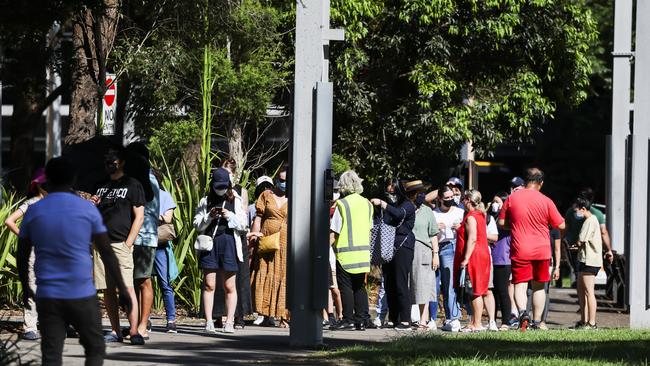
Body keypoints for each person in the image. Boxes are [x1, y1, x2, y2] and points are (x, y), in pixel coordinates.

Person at [17, 157, 132, 366]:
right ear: (73, 179)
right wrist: (123, 289)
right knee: (95, 347)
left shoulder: (34, 211)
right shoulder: (87, 209)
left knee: (51, 353)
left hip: (48, 294)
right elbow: (107, 252)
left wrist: (26, 287)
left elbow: (22, 255)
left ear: (47, 180)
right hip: (81, 293)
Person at [498, 168, 565, 331]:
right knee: (539, 286)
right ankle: (536, 321)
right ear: (540, 183)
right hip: (542, 249)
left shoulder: (512, 198)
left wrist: (513, 225)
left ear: (525, 180)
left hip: (520, 248)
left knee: (520, 284)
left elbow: (501, 223)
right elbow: (561, 224)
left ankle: (522, 313)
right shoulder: (546, 200)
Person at [91, 148, 144, 344]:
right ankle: (115, 331)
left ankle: (134, 330)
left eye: (111, 161)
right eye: (106, 162)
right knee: (107, 289)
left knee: (128, 288)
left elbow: (139, 216)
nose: (108, 165)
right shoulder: (100, 185)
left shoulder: (133, 184)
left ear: (121, 162)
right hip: (100, 243)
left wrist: (128, 242)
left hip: (121, 243)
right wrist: (93, 204)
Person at [194, 167, 248, 333]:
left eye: (223, 186)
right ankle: (209, 321)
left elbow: (243, 225)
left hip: (229, 243)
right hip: (210, 244)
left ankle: (230, 321)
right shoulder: (205, 200)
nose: (220, 189)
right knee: (209, 284)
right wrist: (209, 216)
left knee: (229, 285)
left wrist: (229, 216)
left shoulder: (235, 201)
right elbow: (197, 225)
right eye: (218, 186)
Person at [5, 170, 47, 341]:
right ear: (37, 185)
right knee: (32, 287)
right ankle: (30, 326)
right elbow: (9, 221)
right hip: (34, 252)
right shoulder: (32, 203)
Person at [371, 179, 418, 331]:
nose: (390, 194)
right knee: (389, 283)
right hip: (388, 247)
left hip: (403, 247)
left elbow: (398, 215)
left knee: (400, 283)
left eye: (393, 191)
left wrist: (383, 204)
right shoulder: (392, 206)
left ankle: (405, 319)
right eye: (388, 192)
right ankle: (393, 317)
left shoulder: (408, 205)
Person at [329, 170, 373, 331]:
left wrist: (324, 248)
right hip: (362, 253)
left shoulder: (342, 204)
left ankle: (347, 319)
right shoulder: (367, 204)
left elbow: (335, 231)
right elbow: (369, 228)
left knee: (346, 287)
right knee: (360, 287)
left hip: (346, 254)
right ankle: (361, 320)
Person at [249, 166, 289, 327]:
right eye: (280, 179)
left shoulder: (295, 197)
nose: (282, 182)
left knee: (283, 276)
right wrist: (254, 235)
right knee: (264, 274)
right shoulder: (266, 195)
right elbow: (258, 218)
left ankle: (283, 316)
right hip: (267, 240)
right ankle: (265, 314)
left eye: (286, 180)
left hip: (286, 243)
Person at [455, 189, 493, 332]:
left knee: (475, 290)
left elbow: (472, 238)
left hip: (475, 255)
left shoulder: (471, 216)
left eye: (464, 198)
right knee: (478, 289)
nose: (462, 201)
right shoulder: (480, 215)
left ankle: (477, 324)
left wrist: (465, 258)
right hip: (482, 254)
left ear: (469, 201)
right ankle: (474, 322)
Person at [133, 165, 160, 340]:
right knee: (133, 283)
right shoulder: (139, 179)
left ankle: (143, 324)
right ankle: (136, 324)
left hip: (143, 237)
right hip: (135, 236)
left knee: (144, 280)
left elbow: (142, 212)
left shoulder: (147, 180)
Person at [432, 185, 465, 332]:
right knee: (437, 286)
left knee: (450, 285)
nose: (451, 200)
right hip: (438, 247)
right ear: (439, 199)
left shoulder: (460, 212)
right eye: (447, 198)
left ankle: (454, 317)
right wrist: (435, 229)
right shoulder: (434, 213)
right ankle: (438, 318)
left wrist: (460, 228)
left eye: (452, 197)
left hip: (453, 247)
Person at [488, 192, 519, 329]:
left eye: (498, 201)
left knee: (502, 291)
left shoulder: (508, 218)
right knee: (491, 291)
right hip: (491, 257)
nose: (495, 204)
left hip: (503, 258)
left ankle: (506, 321)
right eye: (493, 201)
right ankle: (492, 320)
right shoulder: (491, 217)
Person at [410, 190, 439, 330]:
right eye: (417, 193)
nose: (420, 196)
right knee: (409, 285)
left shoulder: (427, 211)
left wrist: (436, 254)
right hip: (407, 250)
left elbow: (433, 234)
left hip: (424, 251)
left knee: (424, 286)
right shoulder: (406, 209)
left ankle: (423, 320)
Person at [574, 197, 603, 329]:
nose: (576, 214)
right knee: (581, 291)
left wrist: (575, 245)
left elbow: (581, 240)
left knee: (589, 292)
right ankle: (583, 320)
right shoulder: (591, 220)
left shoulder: (590, 221)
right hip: (585, 259)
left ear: (583, 209)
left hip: (589, 261)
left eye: (577, 210)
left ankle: (592, 323)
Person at [154, 183, 178, 333]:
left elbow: (168, 218)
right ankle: (145, 320)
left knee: (165, 282)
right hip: (143, 241)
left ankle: (171, 319)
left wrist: (153, 214)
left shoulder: (164, 196)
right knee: (143, 283)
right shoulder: (141, 194)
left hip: (159, 244)